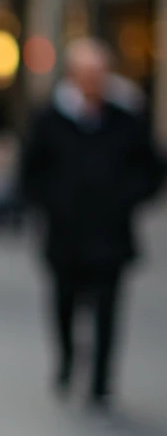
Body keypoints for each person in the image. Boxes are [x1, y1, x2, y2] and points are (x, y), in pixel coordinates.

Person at [21, 37, 165, 410]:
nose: (93, 81)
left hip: (110, 236)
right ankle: (69, 360)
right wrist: (52, 203)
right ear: (73, 75)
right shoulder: (49, 119)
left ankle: (101, 384)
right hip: (64, 236)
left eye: (99, 74)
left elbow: (150, 170)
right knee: (65, 305)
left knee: (107, 312)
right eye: (87, 74)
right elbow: (31, 172)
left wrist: (126, 199)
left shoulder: (127, 118)